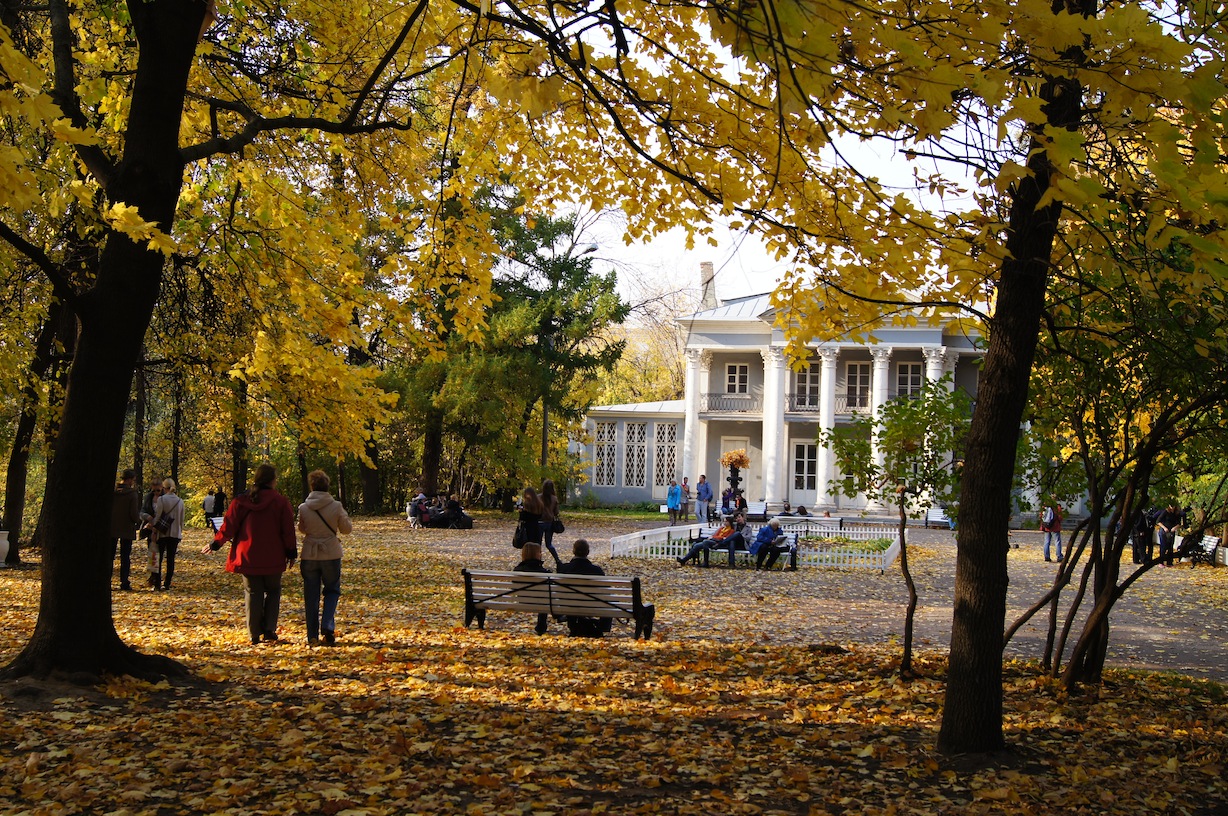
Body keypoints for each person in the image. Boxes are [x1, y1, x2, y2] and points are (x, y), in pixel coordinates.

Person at [204, 464, 297, 645]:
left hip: (247, 555)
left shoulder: (241, 502)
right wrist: (291, 552)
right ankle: (269, 629)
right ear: (272, 480)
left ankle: (254, 632)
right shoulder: (280, 502)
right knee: (273, 591)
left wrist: (215, 544)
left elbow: (228, 527)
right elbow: (288, 530)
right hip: (273, 554)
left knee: (252, 593)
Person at [298, 469, 353, 646]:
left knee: (311, 595)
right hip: (331, 553)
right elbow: (346, 529)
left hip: (310, 554)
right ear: (327, 486)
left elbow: (302, 529)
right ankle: (328, 625)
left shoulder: (303, 507)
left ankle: (311, 635)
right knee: (332, 590)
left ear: (312, 486)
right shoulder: (336, 506)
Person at [557, 539, 611, 637]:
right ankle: (603, 626)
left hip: (568, 606)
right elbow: (605, 592)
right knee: (609, 598)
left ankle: (573, 624)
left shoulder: (564, 569)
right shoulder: (596, 571)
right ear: (588, 552)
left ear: (573, 551)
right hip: (592, 606)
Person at [148, 478, 185, 590]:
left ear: (164, 488)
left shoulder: (162, 500)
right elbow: (181, 521)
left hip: (162, 533)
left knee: (158, 558)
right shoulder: (180, 501)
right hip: (175, 533)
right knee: (171, 559)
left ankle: (157, 583)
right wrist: (180, 531)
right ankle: (167, 583)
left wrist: (154, 529)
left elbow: (158, 517)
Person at [109, 469, 141, 591]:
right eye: (133, 480)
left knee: (110, 556)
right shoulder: (132, 494)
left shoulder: (113, 492)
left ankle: (108, 580)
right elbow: (133, 513)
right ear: (129, 479)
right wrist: (138, 521)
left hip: (112, 528)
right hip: (127, 528)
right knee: (125, 556)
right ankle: (124, 582)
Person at [677, 514, 746, 567]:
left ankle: (706, 563)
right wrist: (714, 537)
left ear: (729, 522)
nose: (724, 523)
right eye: (724, 521)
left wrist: (716, 537)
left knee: (705, 542)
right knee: (696, 545)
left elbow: (724, 538)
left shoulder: (731, 530)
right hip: (714, 541)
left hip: (719, 543)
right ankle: (684, 560)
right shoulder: (722, 528)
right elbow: (716, 535)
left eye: (726, 521)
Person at [513, 542, 551, 635]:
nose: (541, 554)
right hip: (539, 602)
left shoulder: (517, 570)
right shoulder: (543, 572)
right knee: (545, 599)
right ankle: (541, 627)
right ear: (535, 554)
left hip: (522, 600)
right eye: (540, 552)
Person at [538, 478, 563, 568]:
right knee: (549, 544)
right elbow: (556, 512)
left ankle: (537, 561)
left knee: (538, 544)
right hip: (550, 523)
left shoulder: (538, 497)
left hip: (539, 523)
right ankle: (557, 560)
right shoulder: (554, 499)